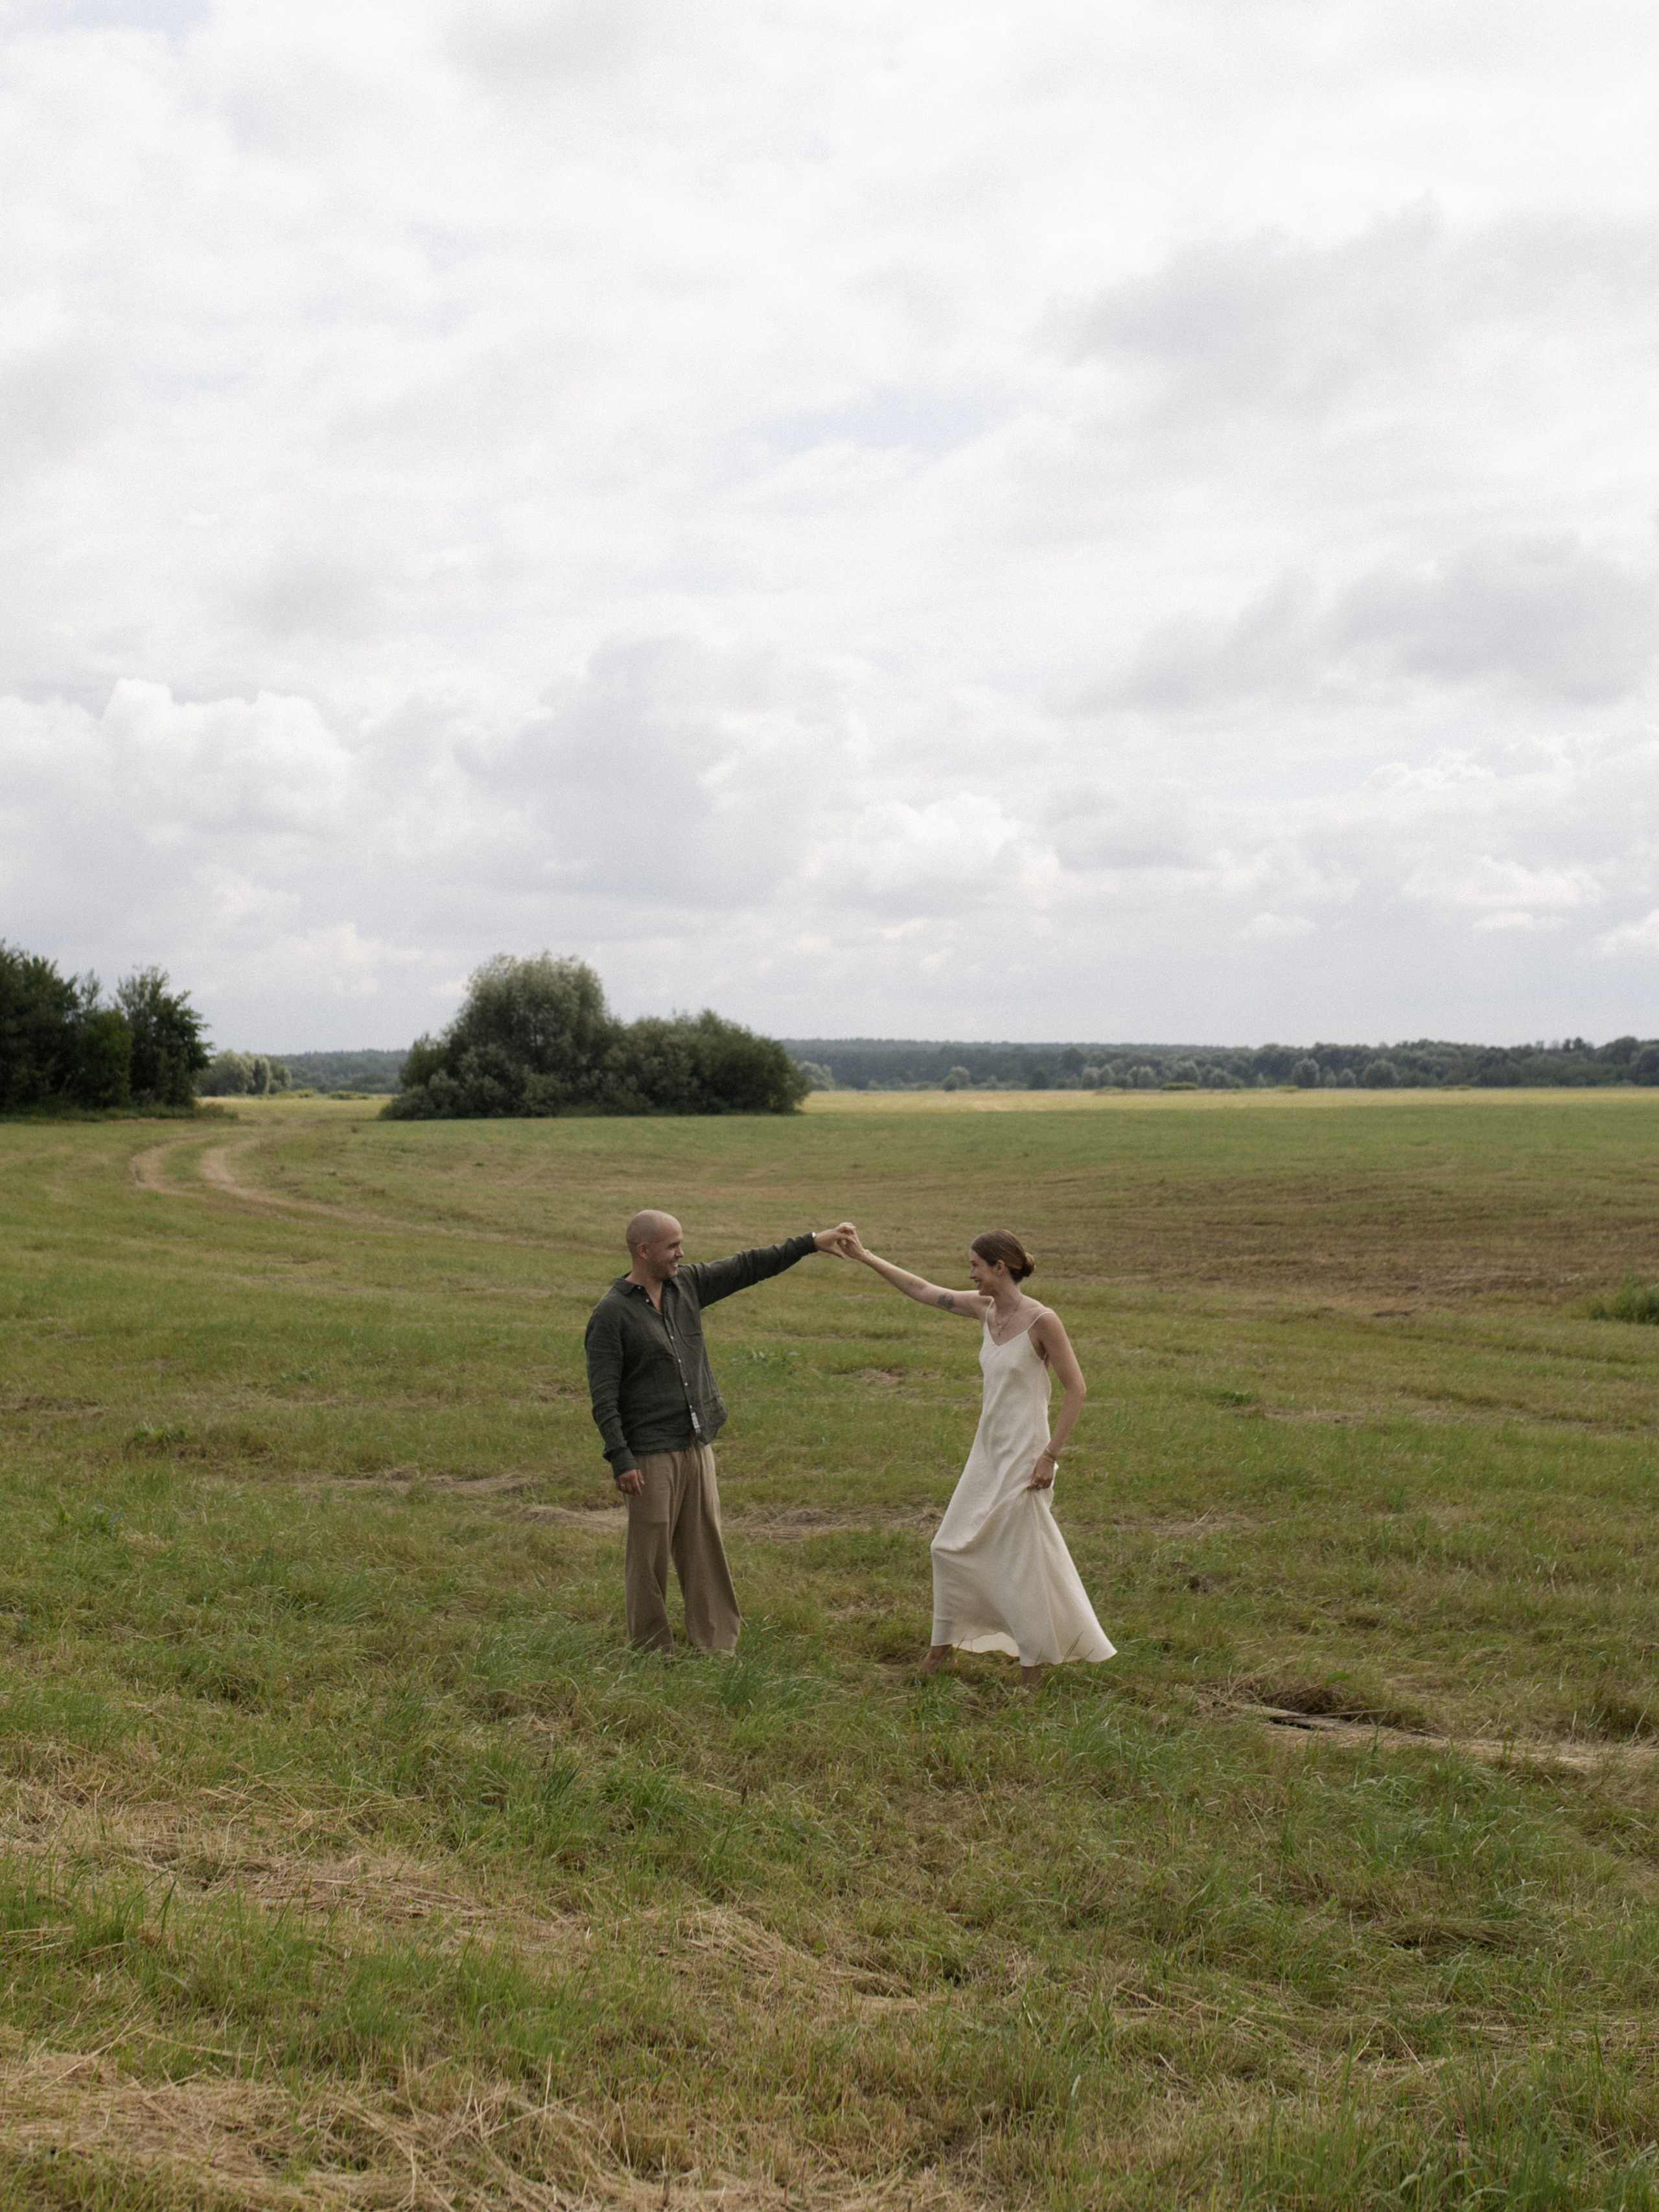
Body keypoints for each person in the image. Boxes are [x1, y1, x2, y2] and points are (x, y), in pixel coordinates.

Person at [838, 1224, 1115, 1686]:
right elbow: (922, 1290)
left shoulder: (1042, 1320)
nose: (969, 1275)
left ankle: (1032, 1671)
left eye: (975, 1266)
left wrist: (1050, 1456)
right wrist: (867, 1257)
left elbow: (1076, 1389)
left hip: (1026, 1458)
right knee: (947, 1547)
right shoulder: (986, 1311)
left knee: (1021, 1564)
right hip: (986, 1455)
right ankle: (941, 1650)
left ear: (999, 1267)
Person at [585, 1209, 852, 1653]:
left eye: (681, 1244)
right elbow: (603, 1395)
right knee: (648, 1557)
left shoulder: (685, 1285)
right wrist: (621, 1456)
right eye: (672, 1246)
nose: (681, 1253)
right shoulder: (611, 1314)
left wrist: (809, 1242)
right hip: (650, 1453)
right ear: (643, 1250)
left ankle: (716, 1644)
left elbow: (747, 1265)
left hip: (696, 1442)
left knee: (704, 1548)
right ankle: (651, 1650)